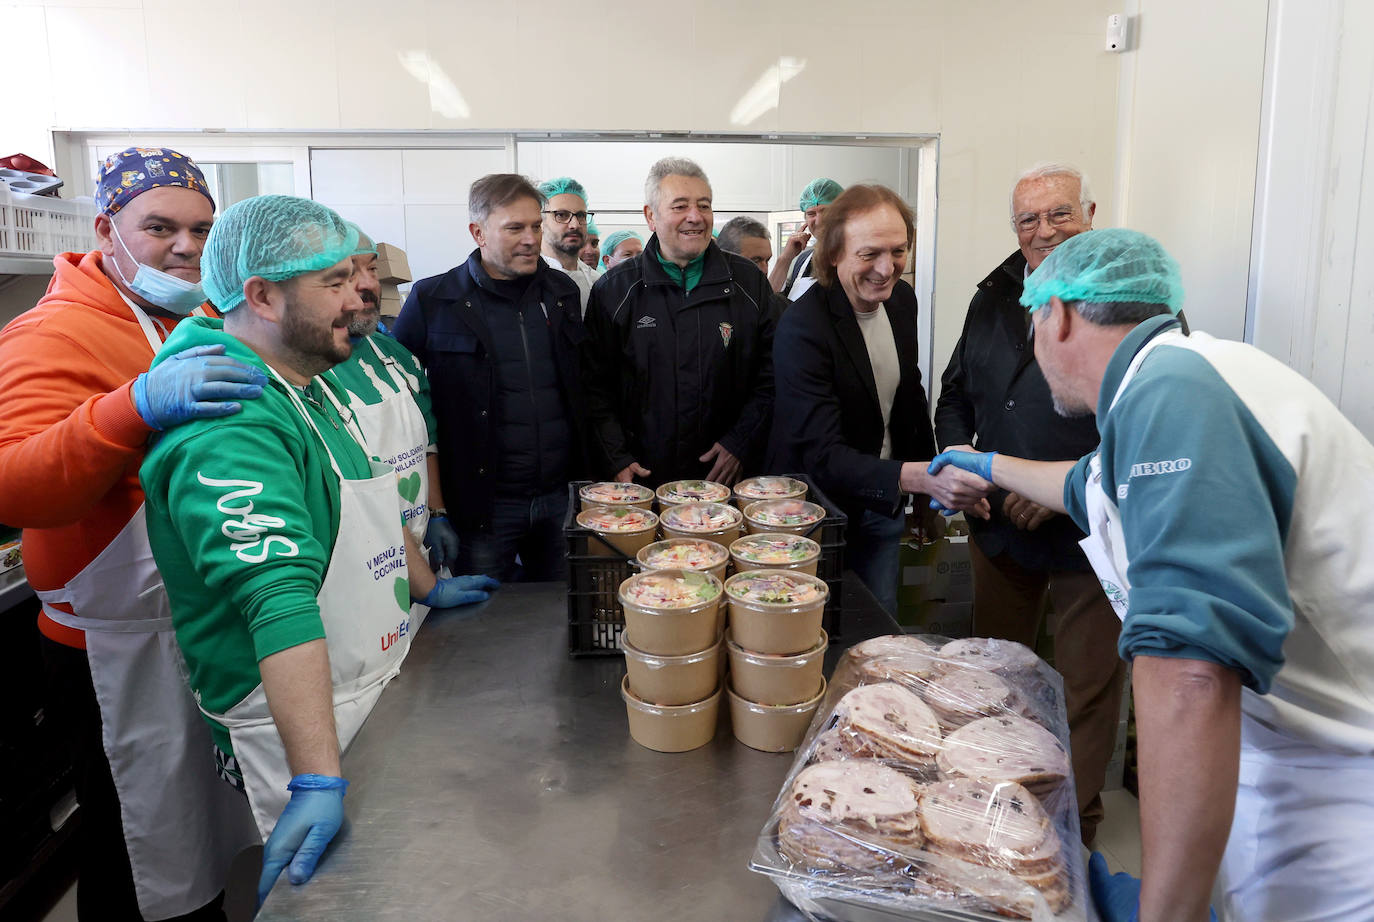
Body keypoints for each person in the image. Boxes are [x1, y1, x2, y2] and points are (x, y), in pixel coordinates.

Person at [929, 228, 1374, 922]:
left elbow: (1190, 676)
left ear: (1062, 315)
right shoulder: (1184, 374)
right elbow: (1092, 486)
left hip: (1338, 799)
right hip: (1286, 761)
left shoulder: (1173, 398)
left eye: (1032, 322)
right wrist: (986, 463)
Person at [140, 195, 486, 907]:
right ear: (261, 295)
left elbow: (370, 492)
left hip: (367, 675)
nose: (360, 295)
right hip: (296, 717)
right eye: (334, 281)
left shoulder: (307, 380)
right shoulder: (231, 418)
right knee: (342, 899)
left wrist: (425, 586)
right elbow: (277, 600)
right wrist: (315, 778)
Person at [0, 147, 267, 922]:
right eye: (160, 227)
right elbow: (14, 484)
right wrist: (133, 407)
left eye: (202, 230)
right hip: (114, 652)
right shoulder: (53, 332)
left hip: (194, 631)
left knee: (205, 843)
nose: (185, 247)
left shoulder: (195, 318)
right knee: (141, 849)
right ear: (105, 227)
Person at [934, 162, 1124, 846]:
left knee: (1086, 691)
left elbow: (1149, 421)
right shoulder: (991, 296)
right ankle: (995, 816)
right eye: (1028, 219)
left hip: (1088, 531)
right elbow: (953, 395)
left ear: (1091, 212)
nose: (1043, 230)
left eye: (1060, 213)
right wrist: (963, 468)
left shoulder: (1132, 296)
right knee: (998, 680)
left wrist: (1066, 485)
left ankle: (1076, 829)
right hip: (997, 526)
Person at [769, 185, 990, 613]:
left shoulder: (900, 302)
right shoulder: (804, 327)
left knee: (879, 622)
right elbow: (821, 452)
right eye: (869, 254)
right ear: (833, 253)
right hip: (819, 514)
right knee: (823, 630)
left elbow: (909, 394)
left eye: (898, 251)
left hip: (883, 502)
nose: (887, 268)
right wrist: (921, 478)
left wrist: (926, 492)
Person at [394, 174, 591, 582]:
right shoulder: (436, 300)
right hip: (484, 507)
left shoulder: (561, 293)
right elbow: (404, 403)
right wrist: (436, 508)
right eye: (514, 228)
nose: (531, 239)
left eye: (536, 226)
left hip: (560, 497)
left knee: (560, 616)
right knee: (482, 627)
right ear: (478, 232)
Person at [322, 225, 490, 616]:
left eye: (373, 270)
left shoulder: (394, 356)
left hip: (416, 547)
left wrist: (436, 513)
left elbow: (426, 438)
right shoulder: (309, 369)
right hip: (352, 560)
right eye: (348, 273)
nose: (367, 286)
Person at [584, 157, 775, 486]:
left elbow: (773, 375)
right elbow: (593, 387)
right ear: (651, 216)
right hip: (642, 482)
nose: (696, 217)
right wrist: (616, 457)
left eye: (704, 205)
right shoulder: (615, 292)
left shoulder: (748, 283)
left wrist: (740, 443)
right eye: (680, 206)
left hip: (726, 480)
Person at [769, 177, 842, 299]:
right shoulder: (803, 261)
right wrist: (785, 259)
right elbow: (769, 303)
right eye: (811, 214)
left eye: (825, 212)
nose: (818, 221)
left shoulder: (855, 256)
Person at [537, 175, 601, 316]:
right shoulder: (527, 281)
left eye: (581, 215)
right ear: (539, 221)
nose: (575, 224)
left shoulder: (597, 283)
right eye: (561, 215)